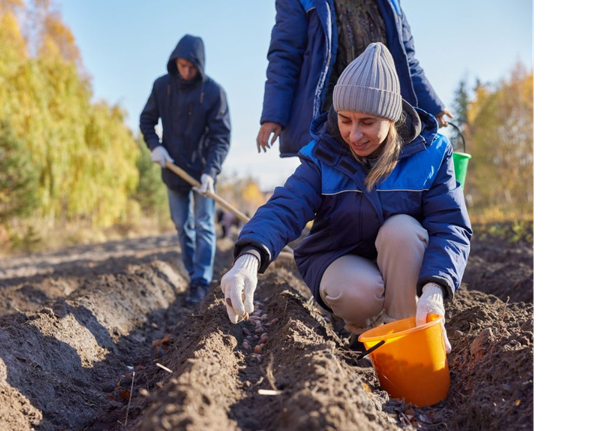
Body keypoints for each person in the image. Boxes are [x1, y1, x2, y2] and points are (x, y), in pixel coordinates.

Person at [224, 43, 470, 351]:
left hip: (401, 262)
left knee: (404, 230)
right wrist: (248, 259)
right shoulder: (323, 154)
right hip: (340, 258)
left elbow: (451, 226)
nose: (354, 135)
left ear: (391, 119)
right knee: (360, 292)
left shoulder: (431, 154)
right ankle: (361, 332)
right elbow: (287, 206)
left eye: (367, 122)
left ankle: (401, 333)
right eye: (345, 119)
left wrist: (434, 290)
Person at [257, 0, 453, 157]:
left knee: (384, 180)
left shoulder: (391, 3)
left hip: (379, 113)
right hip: (330, 115)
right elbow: (284, 56)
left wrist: (432, 104)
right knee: (329, 183)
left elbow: (405, 59)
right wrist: (274, 115)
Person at [140, 34, 232, 304]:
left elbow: (221, 137)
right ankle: (193, 275)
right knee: (182, 226)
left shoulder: (213, 92)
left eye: (192, 67)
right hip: (173, 170)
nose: (187, 72)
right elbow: (147, 121)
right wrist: (155, 146)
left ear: (200, 66)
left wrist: (210, 172)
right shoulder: (162, 87)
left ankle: (201, 281)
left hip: (202, 173)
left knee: (204, 225)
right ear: (175, 63)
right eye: (182, 66)